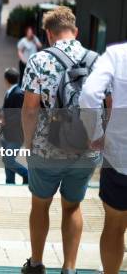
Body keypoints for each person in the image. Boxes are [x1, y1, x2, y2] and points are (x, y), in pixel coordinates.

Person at [21, 7, 101, 274]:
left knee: (40, 204)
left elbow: (30, 108)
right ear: (75, 31)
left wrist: (28, 142)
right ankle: (69, 267)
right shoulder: (96, 60)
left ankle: (36, 263)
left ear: (48, 34)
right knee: (73, 206)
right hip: (86, 148)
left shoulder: (39, 60)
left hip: (47, 147)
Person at [79, 42, 127, 274]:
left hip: (119, 156)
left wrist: (96, 134)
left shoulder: (117, 55)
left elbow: (89, 95)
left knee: (114, 226)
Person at [0, 67, 28, 185]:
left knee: (8, 159)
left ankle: (27, 175)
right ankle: (9, 182)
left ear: (6, 79)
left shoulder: (18, 93)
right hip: (7, 133)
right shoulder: (10, 92)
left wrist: (5, 120)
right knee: (7, 159)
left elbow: (19, 114)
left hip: (16, 134)